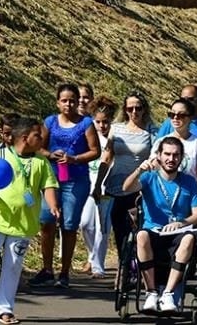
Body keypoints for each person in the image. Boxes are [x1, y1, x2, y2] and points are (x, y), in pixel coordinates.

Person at [0, 117, 59, 324]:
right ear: (25, 138)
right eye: (38, 135)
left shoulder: (41, 161)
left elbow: (49, 186)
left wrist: (53, 205)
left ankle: (4, 308)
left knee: (12, 266)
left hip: (23, 224)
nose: (43, 138)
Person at [29, 84, 100, 288]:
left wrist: (74, 158)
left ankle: (65, 271)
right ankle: (47, 269)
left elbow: (95, 151)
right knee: (46, 221)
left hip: (76, 180)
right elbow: (38, 146)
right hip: (51, 179)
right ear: (58, 102)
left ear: (78, 102)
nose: (68, 104)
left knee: (69, 225)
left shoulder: (86, 123)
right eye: (64, 100)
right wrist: (51, 155)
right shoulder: (50, 122)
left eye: (72, 100)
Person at [122, 137, 197, 313]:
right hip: (153, 231)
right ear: (159, 155)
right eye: (167, 154)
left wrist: (181, 223)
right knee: (141, 235)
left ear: (181, 158)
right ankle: (151, 292)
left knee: (190, 238)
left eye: (176, 155)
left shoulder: (189, 182)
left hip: (179, 233)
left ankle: (168, 293)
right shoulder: (149, 178)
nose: (171, 159)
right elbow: (126, 188)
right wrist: (138, 170)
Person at [91, 91, 156, 262]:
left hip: (139, 188)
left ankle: (138, 266)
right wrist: (98, 184)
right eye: (130, 108)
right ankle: (123, 267)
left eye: (138, 108)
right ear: (125, 110)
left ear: (144, 109)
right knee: (119, 231)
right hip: (114, 187)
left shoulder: (151, 131)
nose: (134, 112)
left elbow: (155, 160)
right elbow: (107, 156)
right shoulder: (116, 128)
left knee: (137, 230)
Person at [155, 85, 197, 194]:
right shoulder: (170, 122)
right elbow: (157, 151)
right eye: (183, 99)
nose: (186, 102)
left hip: (191, 187)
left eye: (190, 99)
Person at [79, 96, 117, 278]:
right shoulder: (89, 139)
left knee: (103, 227)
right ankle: (92, 255)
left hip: (107, 189)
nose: (102, 126)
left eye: (106, 122)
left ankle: (98, 266)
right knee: (85, 224)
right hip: (88, 186)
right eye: (98, 122)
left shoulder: (116, 139)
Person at [151, 99, 197, 196]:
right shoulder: (160, 142)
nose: (175, 118)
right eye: (172, 114)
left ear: (190, 117)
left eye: (181, 115)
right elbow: (153, 169)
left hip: (187, 195)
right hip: (161, 195)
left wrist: (194, 195)